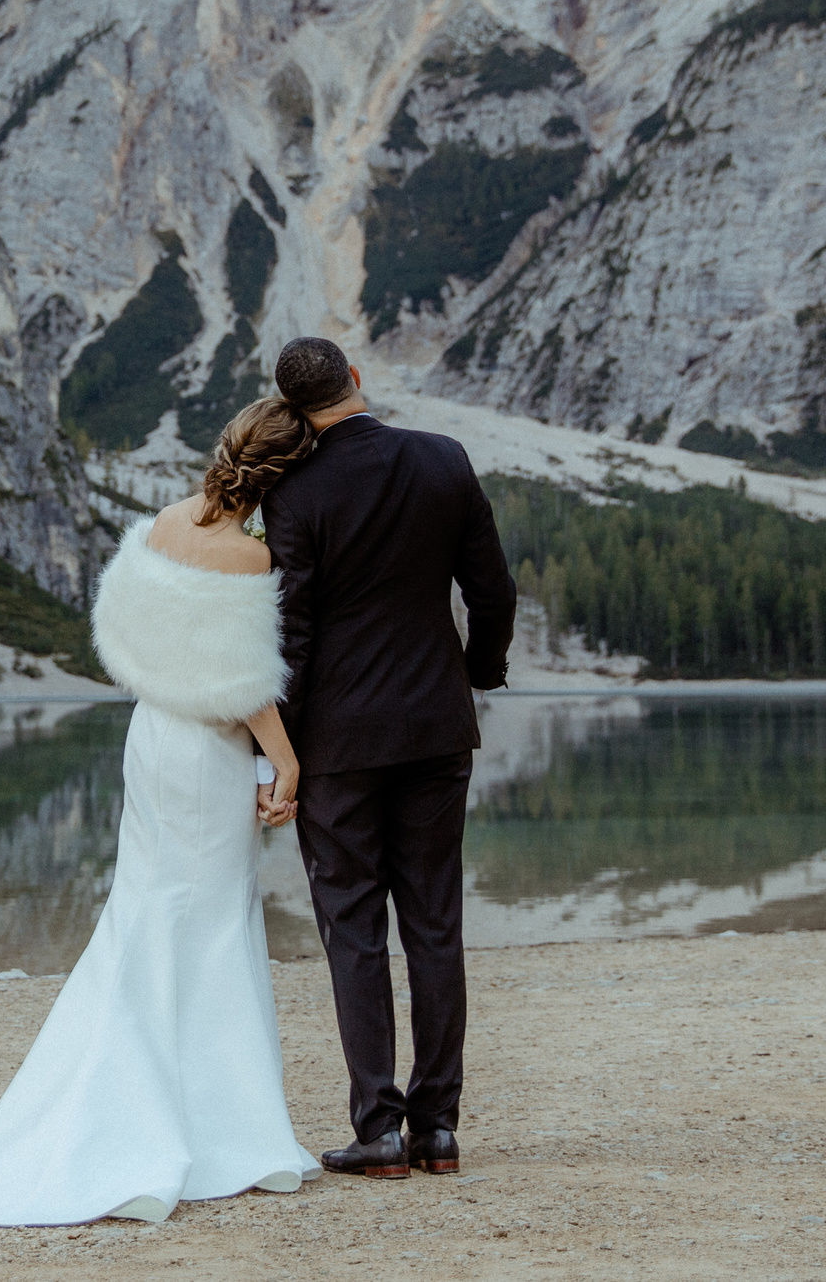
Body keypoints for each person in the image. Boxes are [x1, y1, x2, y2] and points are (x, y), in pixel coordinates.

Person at [0, 398, 323, 1227]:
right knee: (211, 919)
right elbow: (246, 682)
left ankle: (170, 1107)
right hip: (208, 753)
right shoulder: (250, 558)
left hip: (153, 739)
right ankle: (224, 1129)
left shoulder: (161, 525)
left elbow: (149, 646)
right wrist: (283, 760)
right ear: (283, 476)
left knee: (150, 910)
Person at [260, 337, 516, 1181]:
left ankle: (377, 1125)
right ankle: (437, 1126)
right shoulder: (443, 459)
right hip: (437, 730)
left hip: (337, 742)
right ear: (357, 382)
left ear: (297, 411)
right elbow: (493, 591)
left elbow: (291, 629)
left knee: (353, 929)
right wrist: (475, 673)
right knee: (436, 924)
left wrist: (282, 748)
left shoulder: (293, 491)